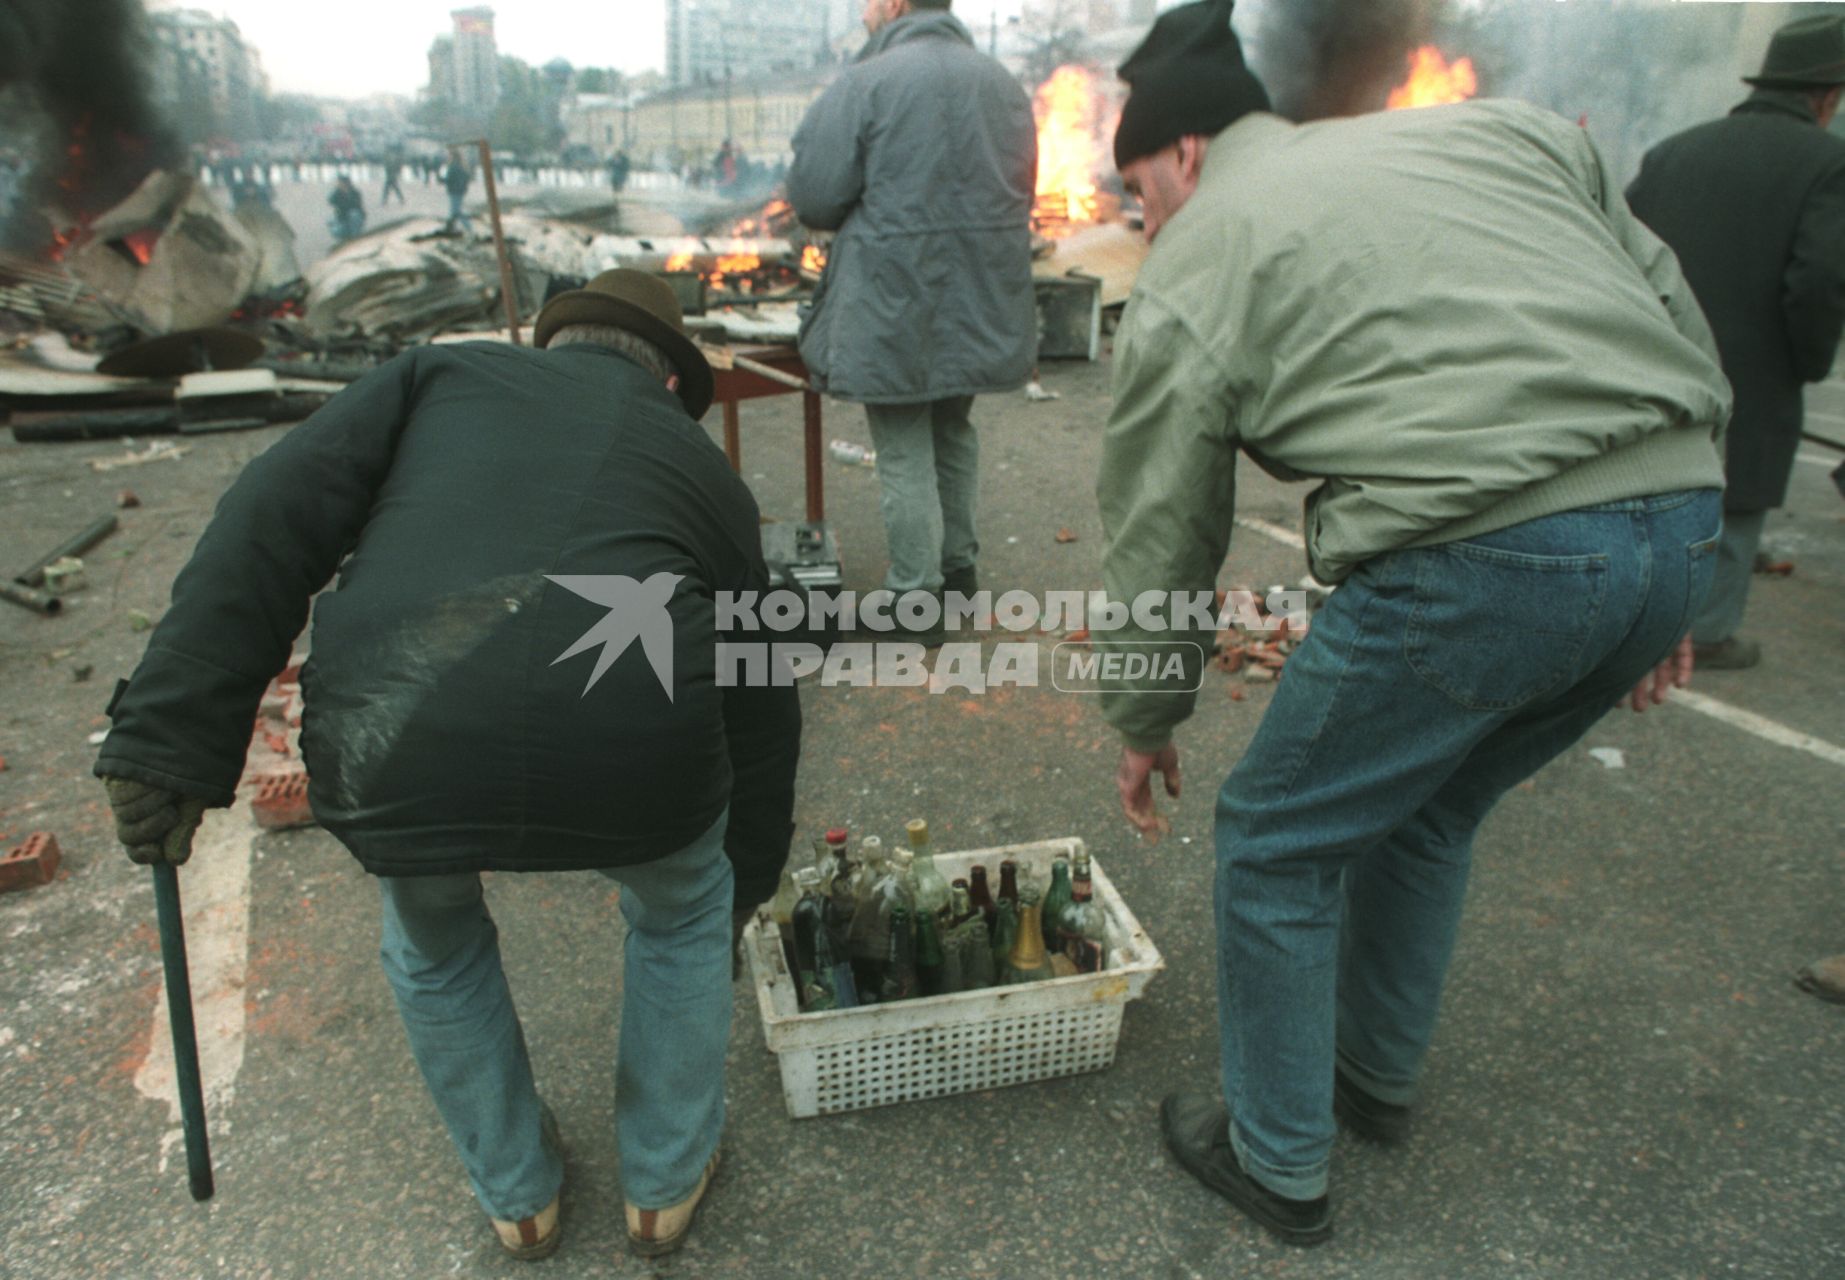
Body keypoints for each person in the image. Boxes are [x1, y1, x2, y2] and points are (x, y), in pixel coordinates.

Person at [1095, 0, 1730, 1247]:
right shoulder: (1510, 134)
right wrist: (1677, 567)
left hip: (1486, 558)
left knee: (1276, 839)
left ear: (1180, 153)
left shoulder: (1201, 245)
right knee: (1430, 803)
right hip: (1677, 517)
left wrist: (1146, 710)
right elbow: (1672, 312)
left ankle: (1279, 1160)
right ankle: (1371, 1080)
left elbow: (1162, 518)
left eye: (1140, 191)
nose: (1147, 220)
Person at [94, 270, 802, 1261]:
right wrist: (747, 876)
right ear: (677, 383)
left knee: (433, 937)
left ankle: (520, 1196)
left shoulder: (437, 376)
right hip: (629, 727)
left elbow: (272, 511)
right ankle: (664, 1184)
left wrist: (170, 735)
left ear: (545, 345)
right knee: (682, 909)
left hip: (397, 712)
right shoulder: (703, 468)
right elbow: (762, 692)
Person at [787, 0, 1038, 642]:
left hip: (893, 296)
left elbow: (814, 195)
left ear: (895, 3)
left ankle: (913, 598)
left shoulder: (867, 81)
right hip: (981, 293)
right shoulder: (1001, 83)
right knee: (953, 430)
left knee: (900, 444)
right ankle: (958, 576)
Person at [1626, 14, 1845, 671]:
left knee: (1642, 492)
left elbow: (1618, 248)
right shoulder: (1828, 163)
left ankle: (1629, 619)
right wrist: (1806, 359)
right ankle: (1709, 631)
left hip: (1652, 355)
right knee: (1735, 496)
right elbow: (1820, 279)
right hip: (1752, 367)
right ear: (1824, 97)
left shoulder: (1673, 150)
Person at [443, 150, 474, 233]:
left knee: (455, 211)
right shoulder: (462, 166)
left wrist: (442, 179)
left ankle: (468, 227)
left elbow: (450, 179)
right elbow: (467, 177)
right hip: (459, 190)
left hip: (455, 190)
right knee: (454, 210)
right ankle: (452, 227)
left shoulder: (453, 166)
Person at [327, 173, 365, 240]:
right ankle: (343, 237)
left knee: (354, 214)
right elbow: (330, 200)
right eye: (339, 183)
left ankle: (355, 237)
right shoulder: (337, 193)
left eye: (342, 183)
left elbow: (356, 205)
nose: (341, 184)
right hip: (342, 217)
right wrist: (336, 190)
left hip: (354, 216)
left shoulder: (354, 192)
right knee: (333, 224)